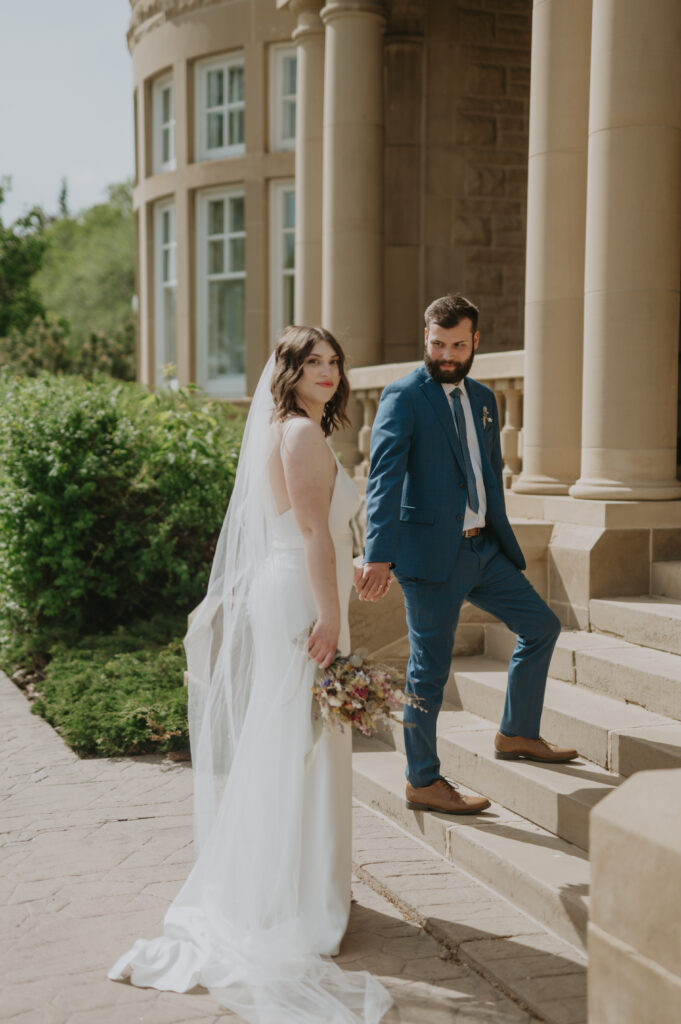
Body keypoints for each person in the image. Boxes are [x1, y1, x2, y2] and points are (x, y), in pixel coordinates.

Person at [109, 327, 392, 1024]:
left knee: (293, 734)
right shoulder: (298, 434)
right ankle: (292, 897)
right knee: (298, 739)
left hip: (294, 585)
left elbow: (312, 526)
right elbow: (309, 534)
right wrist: (330, 613)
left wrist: (347, 575)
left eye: (334, 361)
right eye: (313, 363)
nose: (327, 372)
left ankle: (295, 882)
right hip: (301, 593)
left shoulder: (283, 428)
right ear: (288, 372)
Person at [357, 294, 577, 817]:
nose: (447, 355)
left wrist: (496, 534)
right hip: (430, 558)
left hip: (484, 549)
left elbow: (488, 471)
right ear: (425, 338)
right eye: (438, 344)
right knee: (427, 672)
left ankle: (517, 732)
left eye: (458, 345)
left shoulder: (483, 397)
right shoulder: (403, 395)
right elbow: (383, 479)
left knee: (541, 627)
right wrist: (377, 554)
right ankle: (422, 780)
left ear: (476, 341)